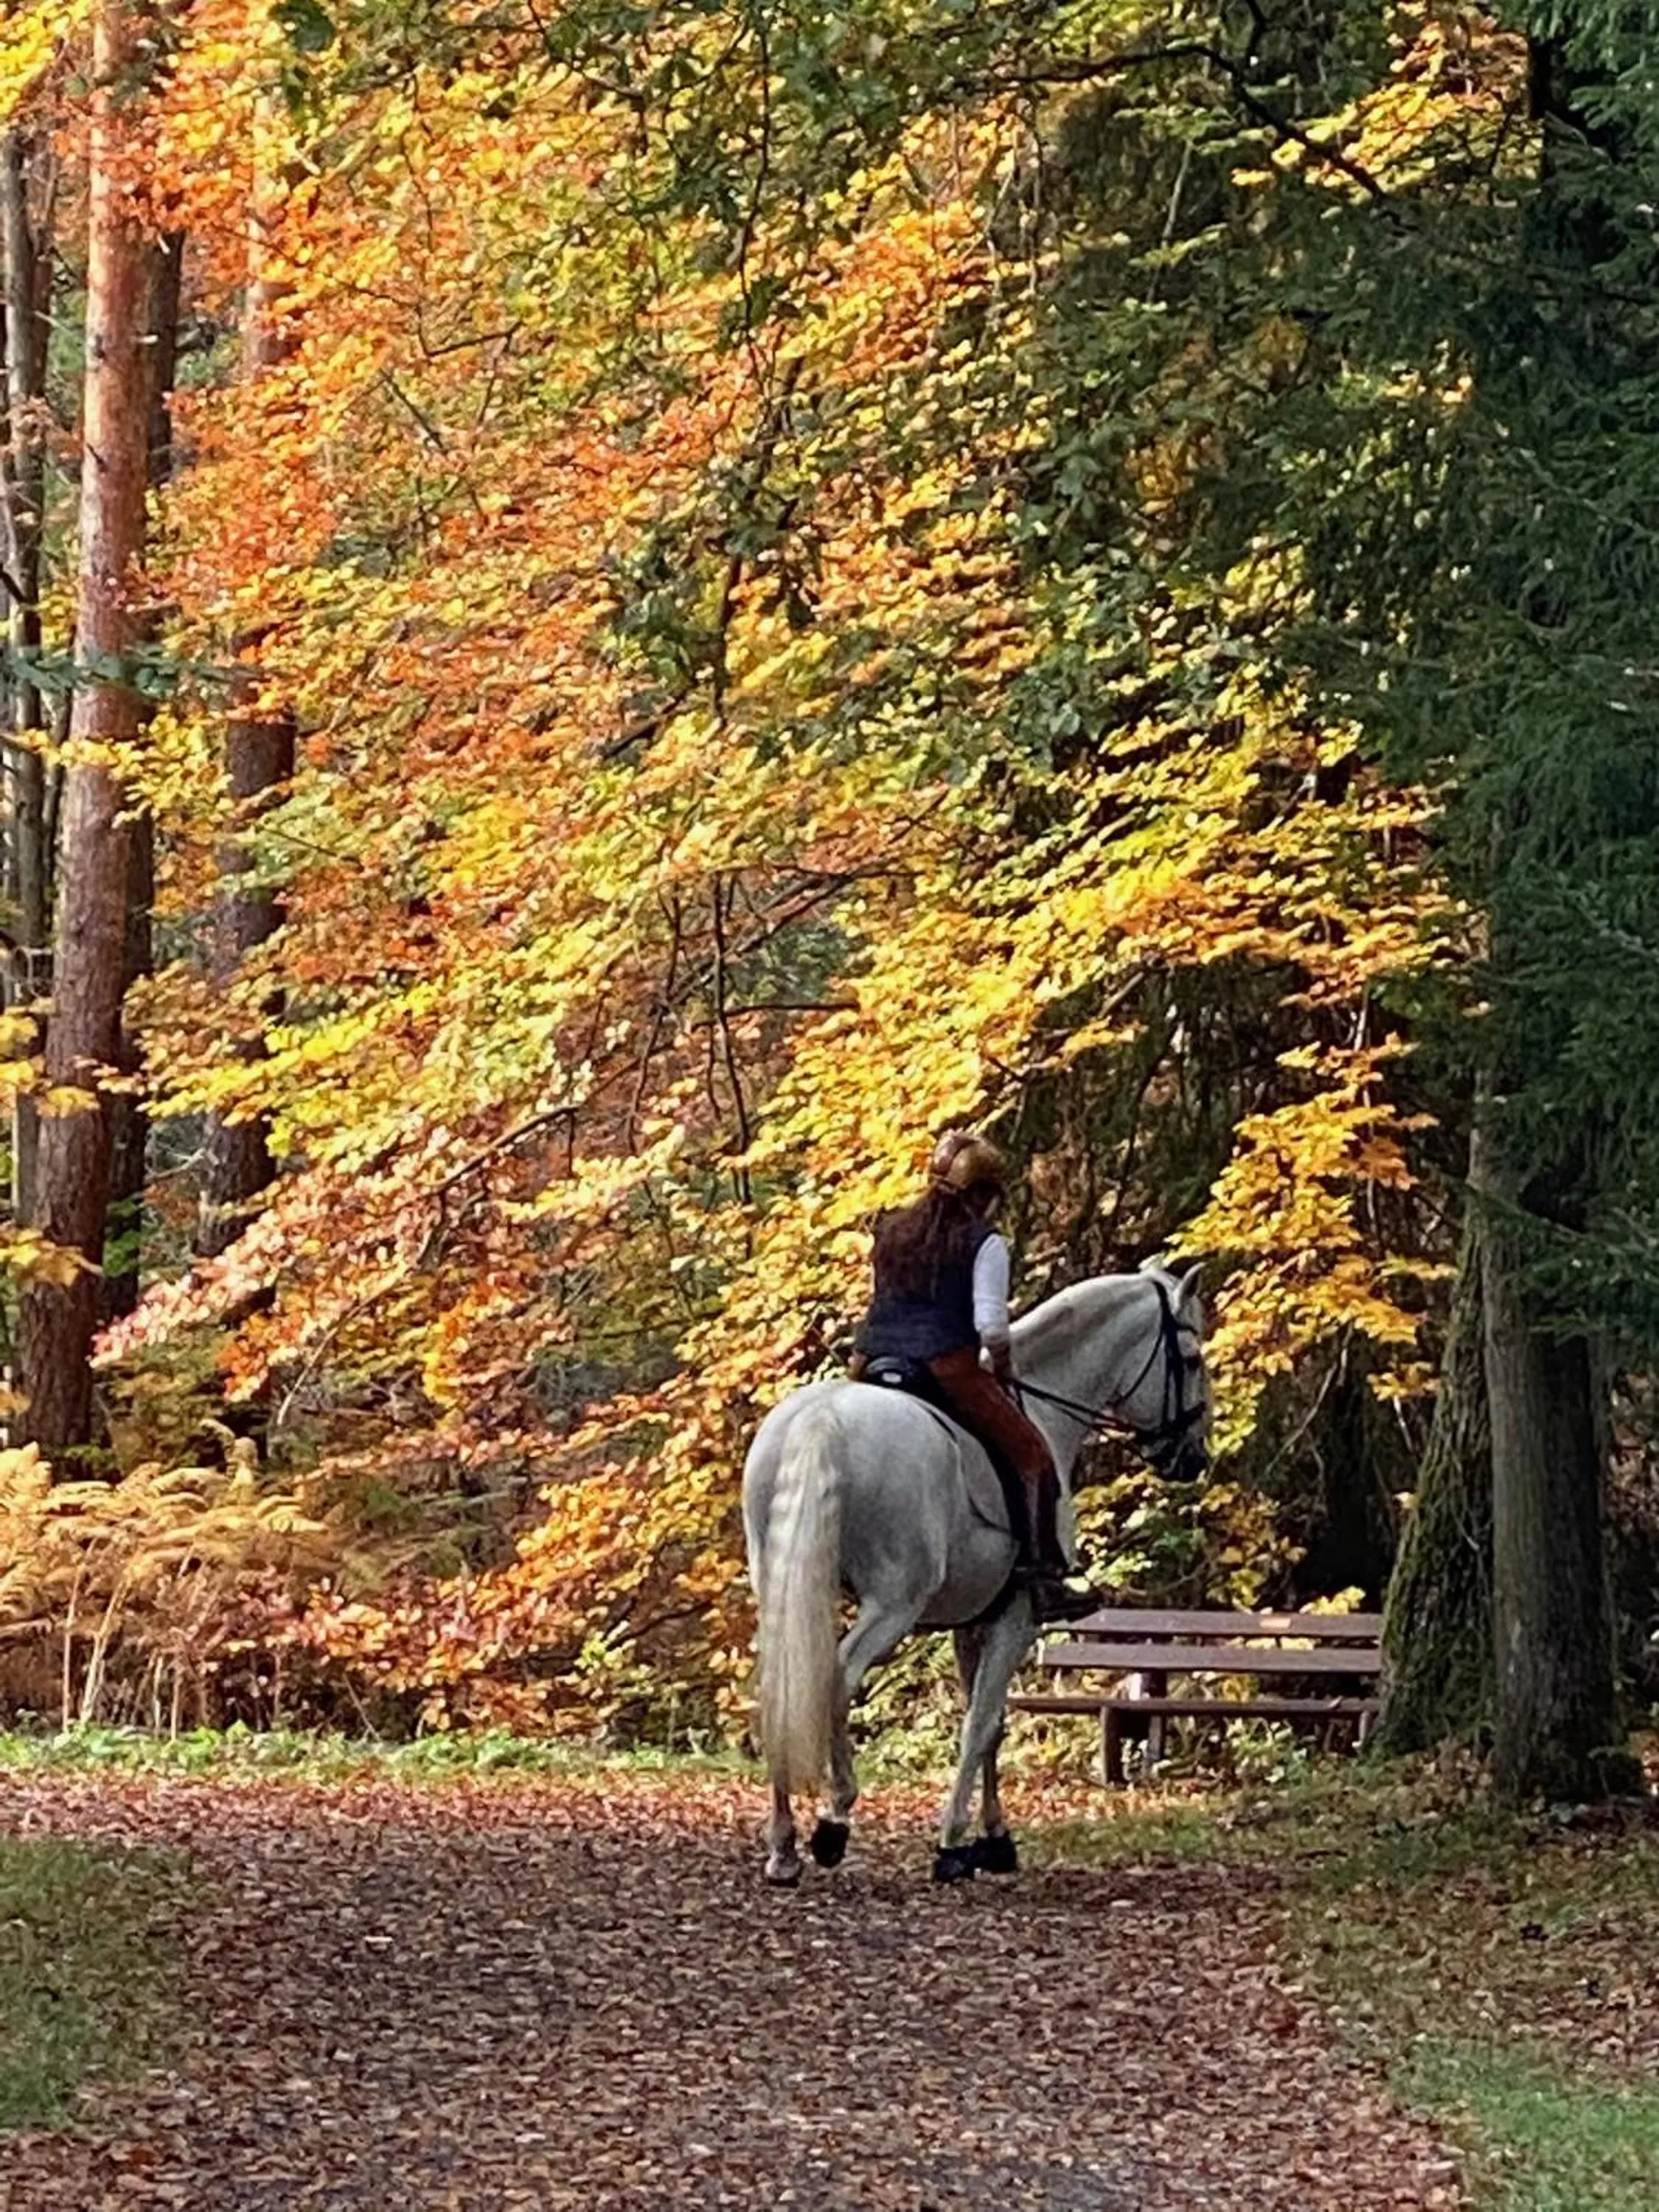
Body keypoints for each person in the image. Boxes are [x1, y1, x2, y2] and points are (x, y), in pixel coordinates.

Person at [853, 1130, 1101, 1623]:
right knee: (1033, 1455)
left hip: (874, 1363)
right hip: (945, 1365)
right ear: (983, 1193)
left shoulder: (892, 1230)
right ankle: (1043, 1578)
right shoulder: (984, 1243)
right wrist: (1003, 1366)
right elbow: (991, 1327)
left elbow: (881, 1305)